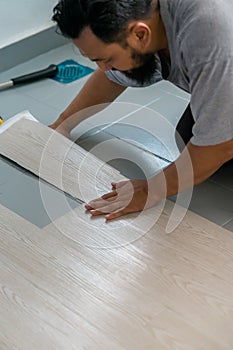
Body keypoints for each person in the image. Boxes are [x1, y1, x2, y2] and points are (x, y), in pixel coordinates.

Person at [50, 0, 233, 220]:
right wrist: (63, 123)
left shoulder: (211, 38)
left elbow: (219, 145)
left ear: (140, 35)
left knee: (210, 141)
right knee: (190, 133)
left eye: (107, 60)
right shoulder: (145, 14)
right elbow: (112, 76)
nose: (104, 68)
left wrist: (150, 190)